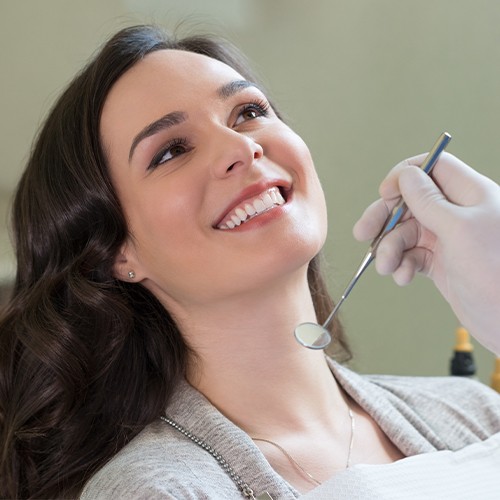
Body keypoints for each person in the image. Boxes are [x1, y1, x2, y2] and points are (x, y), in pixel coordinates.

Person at [0, 24, 499, 500]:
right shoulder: (156, 490)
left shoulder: (477, 415)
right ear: (116, 253)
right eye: (171, 151)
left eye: (247, 112)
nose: (241, 146)